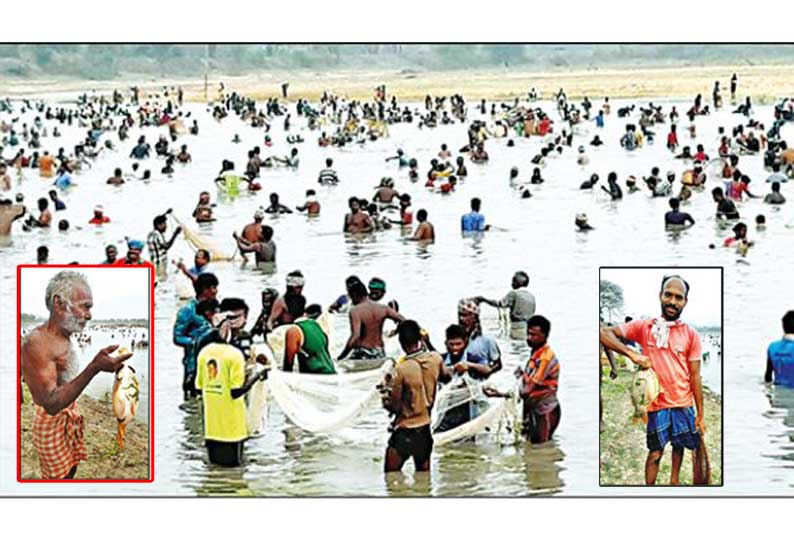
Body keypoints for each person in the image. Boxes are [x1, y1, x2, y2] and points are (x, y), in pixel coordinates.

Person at [20, 271, 132, 478]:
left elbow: (59, 378)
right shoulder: (36, 342)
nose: (89, 315)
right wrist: (94, 367)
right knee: (57, 479)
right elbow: (51, 404)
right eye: (85, 306)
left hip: (69, 416)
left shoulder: (64, 335)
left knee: (71, 469)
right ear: (59, 303)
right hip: (51, 423)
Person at [599, 275, 705, 485]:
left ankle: (674, 482)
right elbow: (603, 333)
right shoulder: (644, 327)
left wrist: (700, 414)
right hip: (656, 404)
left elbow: (695, 376)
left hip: (683, 403)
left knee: (679, 446)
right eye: (668, 295)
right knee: (655, 453)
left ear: (685, 302)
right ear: (660, 296)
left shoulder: (691, 334)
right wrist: (632, 354)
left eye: (678, 297)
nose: (672, 301)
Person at [195, 298, 267, 467]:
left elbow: (199, 387)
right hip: (232, 424)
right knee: (235, 470)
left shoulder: (205, 351)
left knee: (214, 467)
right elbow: (235, 392)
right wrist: (258, 376)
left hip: (212, 423)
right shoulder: (234, 354)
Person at [380, 319, 447, 473]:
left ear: (401, 342)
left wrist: (385, 397)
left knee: (391, 479)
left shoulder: (400, 369)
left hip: (405, 431)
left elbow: (395, 406)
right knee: (424, 483)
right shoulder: (435, 359)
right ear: (420, 338)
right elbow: (446, 377)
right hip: (424, 431)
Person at [173, 273, 219, 400]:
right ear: (204, 290)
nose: (216, 291)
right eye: (213, 288)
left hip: (214, 363)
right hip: (193, 364)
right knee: (193, 399)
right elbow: (177, 337)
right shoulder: (187, 311)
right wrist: (196, 342)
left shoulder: (217, 308)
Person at [517, 315, 561, 444]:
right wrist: (522, 374)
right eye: (528, 334)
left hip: (544, 410)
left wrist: (502, 394)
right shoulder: (535, 353)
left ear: (545, 335)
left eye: (534, 335)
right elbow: (531, 379)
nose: (529, 338)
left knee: (540, 449)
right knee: (532, 449)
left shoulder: (545, 358)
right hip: (534, 407)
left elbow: (527, 391)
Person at [338, 281, 404, 361]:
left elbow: (355, 336)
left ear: (354, 295)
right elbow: (403, 320)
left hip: (363, 353)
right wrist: (397, 331)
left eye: (351, 297)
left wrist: (342, 356)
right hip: (379, 351)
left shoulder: (355, 311)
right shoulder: (383, 308)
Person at [282, 297, 336, 374]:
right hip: (331, 375)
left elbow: (288, 367)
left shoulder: (293, 331)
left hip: (316, 379)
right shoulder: (316, 325)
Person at [476, 271, 536, 339]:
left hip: (517, 327)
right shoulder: (531, 296)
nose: (511, 283)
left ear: (517, 282)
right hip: (528, 327)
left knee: (516, 346)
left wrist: (484, 299)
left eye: (513, 281)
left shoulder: (514, 293)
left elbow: (500, 304)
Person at [765, 311, 794, 387]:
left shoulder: (772, 347)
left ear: (783, 326)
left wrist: (770, 399)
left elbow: (768, 377)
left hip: (778, 397)